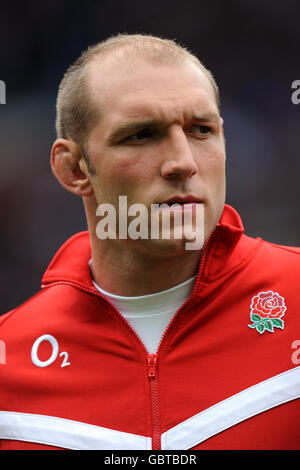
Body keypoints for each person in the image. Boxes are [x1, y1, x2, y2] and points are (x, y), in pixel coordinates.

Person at [0, 33, 299, 451]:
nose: (183, 162)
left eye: (201, 130)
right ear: (73, 168)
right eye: (141, 135)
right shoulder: (8, 365)